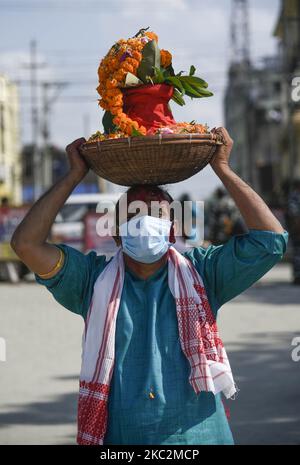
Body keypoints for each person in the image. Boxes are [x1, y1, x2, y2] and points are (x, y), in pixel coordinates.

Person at [11, 127, 288, 445]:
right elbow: (27, 244)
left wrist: (222, 167)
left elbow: (271, 243)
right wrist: (74, 175)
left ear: (172, 232)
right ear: (115, 234)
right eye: (133, 214)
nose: (144, 221)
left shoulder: (203, 271)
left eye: (157, 213)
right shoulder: (91, 280)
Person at [287, 180, 300, 285]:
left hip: (296, 229)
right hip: (297, 230)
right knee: (297, 252)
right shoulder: (295, 197)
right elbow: (294, 215)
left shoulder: (294, 196)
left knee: (297, 252)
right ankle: (297, 276)